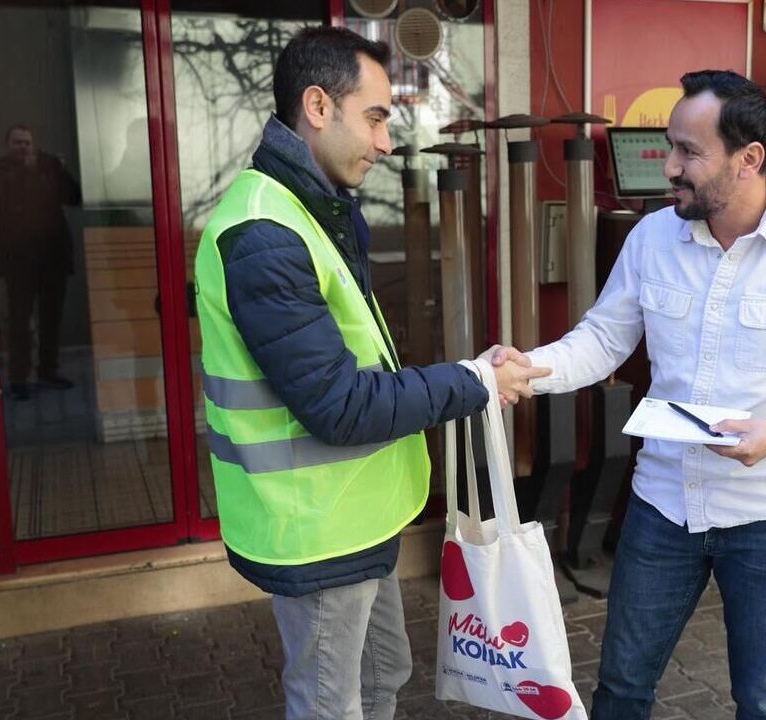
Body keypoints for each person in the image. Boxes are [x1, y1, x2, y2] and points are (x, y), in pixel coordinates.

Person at [515, 70, 766, 718]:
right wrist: (525, 368)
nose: (669, 167)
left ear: (749, 158)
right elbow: (602, 341)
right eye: (670, 146)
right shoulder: (651, 238)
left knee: (764, 700)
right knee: (621, 689)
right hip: (663, 504)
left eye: (688, 151)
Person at [193, 26, 548, 720]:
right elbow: (341, 405)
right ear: (318, 106)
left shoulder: (310, 208)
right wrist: (475, 382)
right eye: (376, 117)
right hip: (316, 528)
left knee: (386, 673)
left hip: (354, 517)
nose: (387, 142)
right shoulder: (266, 232)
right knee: (332, 704)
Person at [0, 126, 81, 401]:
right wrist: (30, 171)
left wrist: (59, 170)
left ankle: (48, 371)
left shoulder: (49, 166)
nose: (23, 147)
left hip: (53, 258)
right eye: (17, 142)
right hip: (19, 261)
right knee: (19, 322)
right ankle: (18, 377)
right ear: (7, 145)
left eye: (27, 143)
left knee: (52, 320)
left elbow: (74, 197)